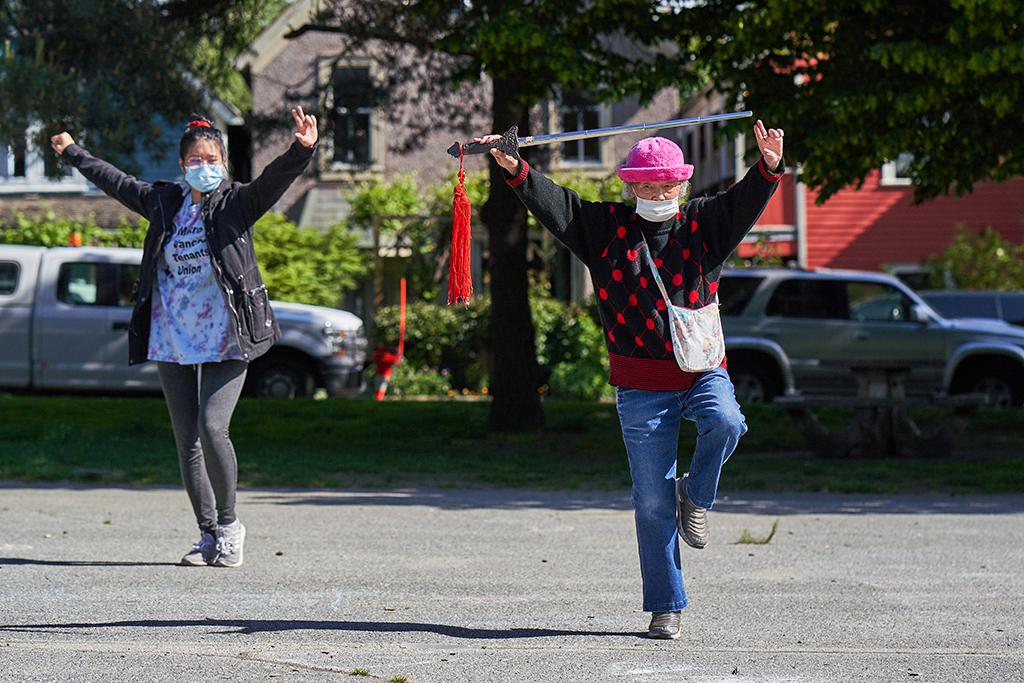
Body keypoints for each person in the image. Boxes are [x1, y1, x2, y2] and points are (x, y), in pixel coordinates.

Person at [479, 119, 784, 639]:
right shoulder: (604, 228)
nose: (657, 193)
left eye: (667, 185)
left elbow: (744, 201)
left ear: (683, 186)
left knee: (728, 422)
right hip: (641, 384)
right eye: (646, 185)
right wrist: (515, 169)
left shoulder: (704, 224)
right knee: (650, 500)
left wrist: (769, 166)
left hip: (700, 368)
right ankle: (666, 604)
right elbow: (559, 206)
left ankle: (699, 493)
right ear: (630, 186)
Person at [51, 108, 319, 568]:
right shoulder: (164, 202)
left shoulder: (237, 202)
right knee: (186, 439)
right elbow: (116, 181)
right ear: (183, 165)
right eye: (196, 159)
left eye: (213, 158)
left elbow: (274, 179)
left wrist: (302, 149)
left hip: (229, 334)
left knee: (213, 427)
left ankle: (231, 525)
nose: (205, 165)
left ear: (224, 162)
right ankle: (208, 534)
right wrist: (73, 152)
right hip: (173, 334)